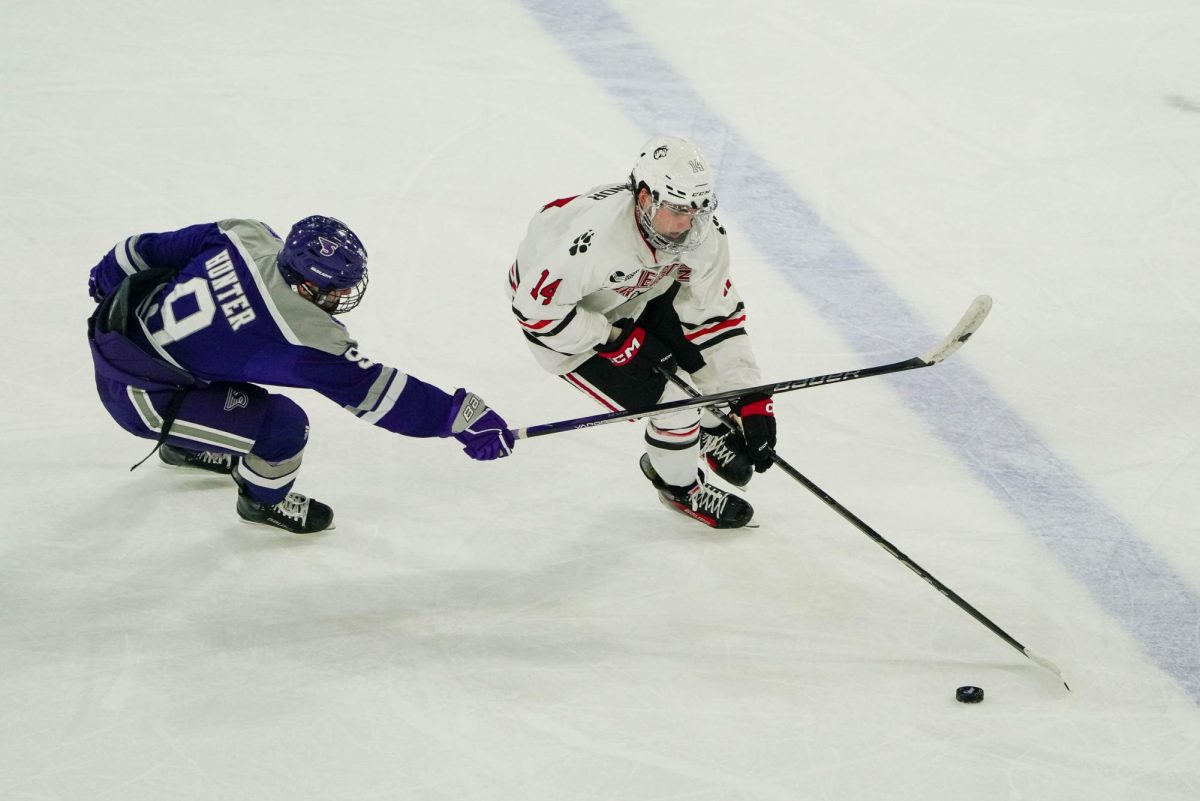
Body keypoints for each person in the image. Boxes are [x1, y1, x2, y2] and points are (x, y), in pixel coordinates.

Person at [88, 215, 514, 534]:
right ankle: (261, 502)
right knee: (283, 427)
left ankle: (188, 447)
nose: (346, 294)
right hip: (143, 396)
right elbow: (379, 395)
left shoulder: (245, 235)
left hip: (122, 334)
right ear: (308, 286)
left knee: (232, 378)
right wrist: (457, 417)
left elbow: (144, 249)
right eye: (338, 288)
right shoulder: (305, 337)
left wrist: (104, 278)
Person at [506, 135, 776, 529]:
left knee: (697, 371)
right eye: (677, 210)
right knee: (676, 406)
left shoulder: (701, 234)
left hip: (637, 292)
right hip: (564, 321)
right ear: (646, 198)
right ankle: (680, 486)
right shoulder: (594, 242)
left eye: (698, 209)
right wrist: (613, 339)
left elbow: (714, 314)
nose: (687, 224)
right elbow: (536, 314)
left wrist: (747, 394)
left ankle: (710, 424)